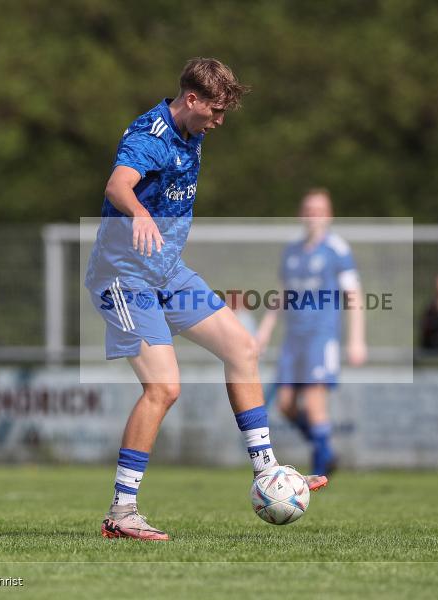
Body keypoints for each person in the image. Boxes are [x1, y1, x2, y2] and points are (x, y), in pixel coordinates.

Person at [84, 58, 327, 542]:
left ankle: (266, 472)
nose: (219, 121)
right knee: (164, 388)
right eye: (214, 111)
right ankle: (123, 511)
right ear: (191, 99)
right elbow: (117, 185)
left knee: (242, 348)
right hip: (125, 279)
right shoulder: (150, 134)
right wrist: (136, 213)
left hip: (166, 273)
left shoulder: (192, 134)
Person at [254, 188, 367, 477]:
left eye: (320, 210)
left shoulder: (337, 249)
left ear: (329, 215)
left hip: (322, 335)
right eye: (309, 209)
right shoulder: (291, 251)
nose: (313, 215)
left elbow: (354, 294)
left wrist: (356, 339)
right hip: (294, 338)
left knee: (315, 401)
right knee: (285, 405)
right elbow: (281, 295)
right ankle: (326, 451)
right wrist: (265, 332)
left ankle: (320, 472)